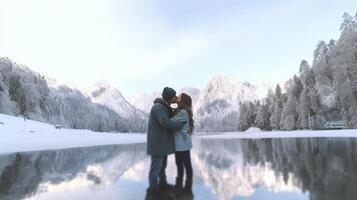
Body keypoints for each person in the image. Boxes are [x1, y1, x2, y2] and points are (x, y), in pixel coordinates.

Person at [146, 87, 185, 199]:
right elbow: (165, 122)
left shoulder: (165, 107)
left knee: (162, 166)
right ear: (169, 97)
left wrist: (179, 103)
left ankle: (162, 185)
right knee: (156, 167)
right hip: (157, 144)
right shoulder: (158, 108)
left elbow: (174, 115)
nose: (176, 97)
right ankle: (153, 190)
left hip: (162, 144)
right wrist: (179, 125)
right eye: (174, 96)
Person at [171, 93, 194, 196]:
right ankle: (180, 188)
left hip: (182, 144)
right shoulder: (181, 111)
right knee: (181, 164)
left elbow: (171, 121)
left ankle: (187, 189)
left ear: (183, 100)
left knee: (185, 165)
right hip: (181, 144)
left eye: (179, 95)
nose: (177, 96)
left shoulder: (183, 112)